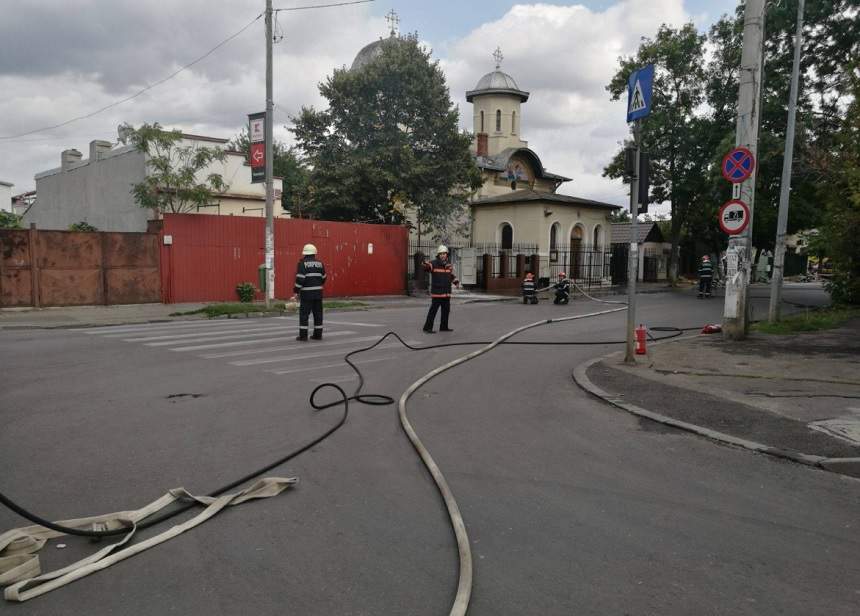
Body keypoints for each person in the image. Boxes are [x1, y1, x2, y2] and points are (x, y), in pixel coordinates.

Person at [292, 243, 326, 340]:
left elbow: (300, 279)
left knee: (304, 315)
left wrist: (296, 291)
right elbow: (324, 278)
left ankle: (303, 336)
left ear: (305, 253)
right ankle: (318, 335)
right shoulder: (320, 264)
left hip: (307, 295)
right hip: (318, 294)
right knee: (318, 315)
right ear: (314, 253)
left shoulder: (302, 264)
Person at [422, 245, 459, 333]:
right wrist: (425, 265)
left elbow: (450, 276)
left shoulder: (448, 265)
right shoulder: (434, 263)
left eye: (444, 253)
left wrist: (456, 282)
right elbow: (427, 268)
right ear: (438, 255)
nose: (443, 255)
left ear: (447, 254)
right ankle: (427, 328)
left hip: (446, 293)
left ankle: (444, 327)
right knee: (433, 311)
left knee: (446, 311)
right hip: (437, 293)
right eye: (441, 254)